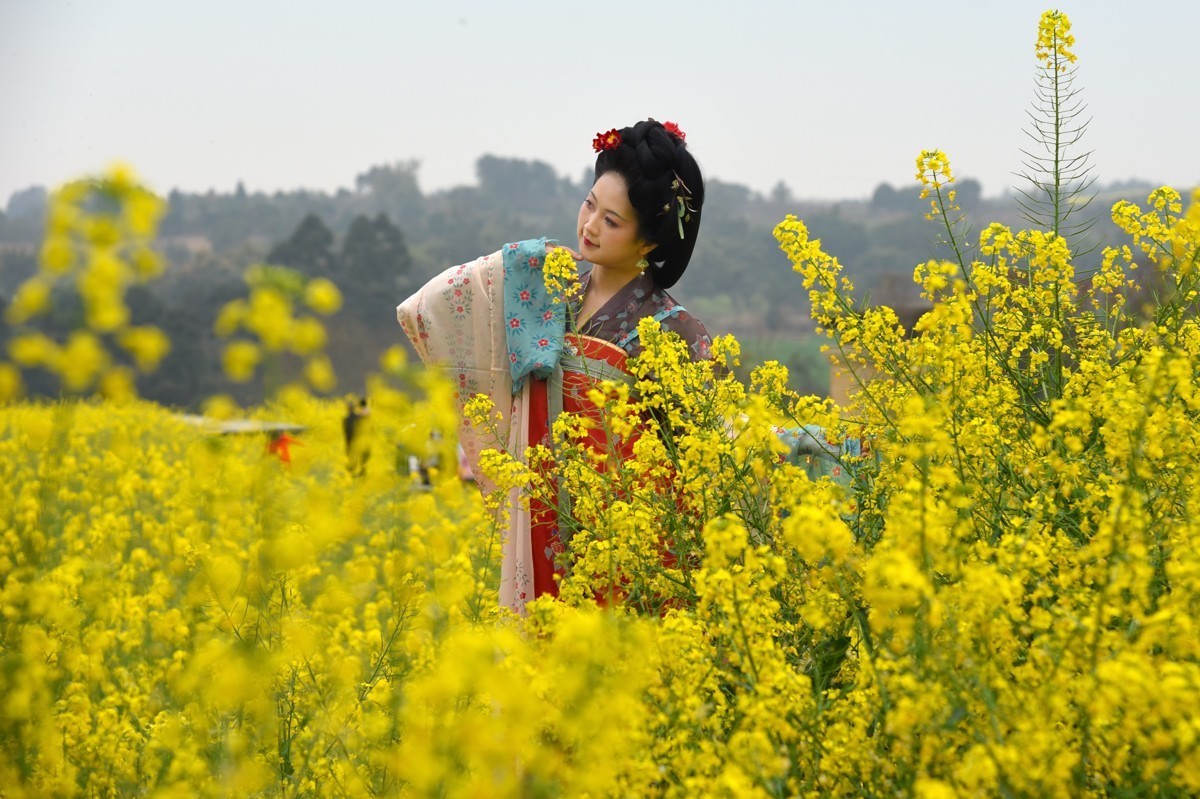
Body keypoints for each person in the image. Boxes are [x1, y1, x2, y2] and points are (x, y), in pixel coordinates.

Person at [398, 119, 710, 614]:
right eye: (590, 204)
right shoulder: (549, 291)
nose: (588, 226)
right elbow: (429, 306)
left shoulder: (676, 332)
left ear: (649, 242)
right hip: (541, 524)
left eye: (612, 221)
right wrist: (509, 265)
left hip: (625, 555)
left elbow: (700, 469)